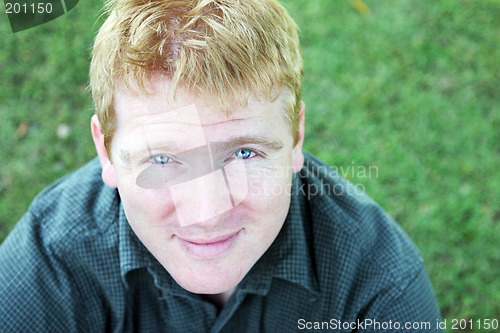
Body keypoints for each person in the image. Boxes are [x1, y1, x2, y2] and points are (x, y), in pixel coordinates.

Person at [0, 0, 442, 331]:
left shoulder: (379, 287)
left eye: (243, 153)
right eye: (163, 159)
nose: (208, 211)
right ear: (105, 151)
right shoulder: (46, 268)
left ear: (296, 137)